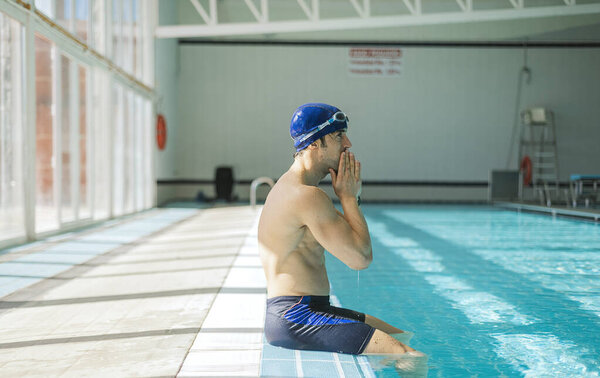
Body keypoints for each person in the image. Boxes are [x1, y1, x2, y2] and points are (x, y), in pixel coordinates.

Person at [258, 103, 424, 358]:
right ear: (314, 143)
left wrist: (349, 198)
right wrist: (349, 198)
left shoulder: (293, 188)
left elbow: (353, 239)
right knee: (409, 357)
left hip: (304, 310)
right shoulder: (305, 196)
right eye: (338, 136)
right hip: (296, 315)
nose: (347, 143)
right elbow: (360, 258)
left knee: (400, 338)